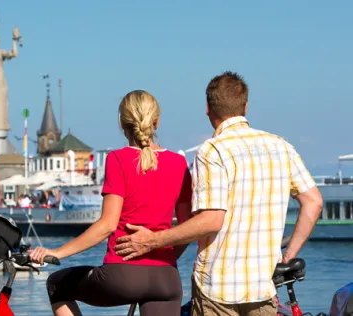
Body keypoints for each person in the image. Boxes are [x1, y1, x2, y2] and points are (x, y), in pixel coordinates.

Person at [114, 72, 323, 316]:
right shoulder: (281, 147)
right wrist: (287, 256)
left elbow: (211, 221)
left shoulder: (212, 151)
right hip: (262, 289)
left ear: (208, 109)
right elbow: (313, 202)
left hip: (218, 290)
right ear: (245, 106)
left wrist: (153, 240)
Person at [29, 90, 193, 316]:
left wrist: (57, 252)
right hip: (166, 279)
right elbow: (187, 227)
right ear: (157, 121)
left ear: (121, 123)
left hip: (122, 276)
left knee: (57, 284)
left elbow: (107, 225)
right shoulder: (179, 162)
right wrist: (168, 258)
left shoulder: (118, 159)